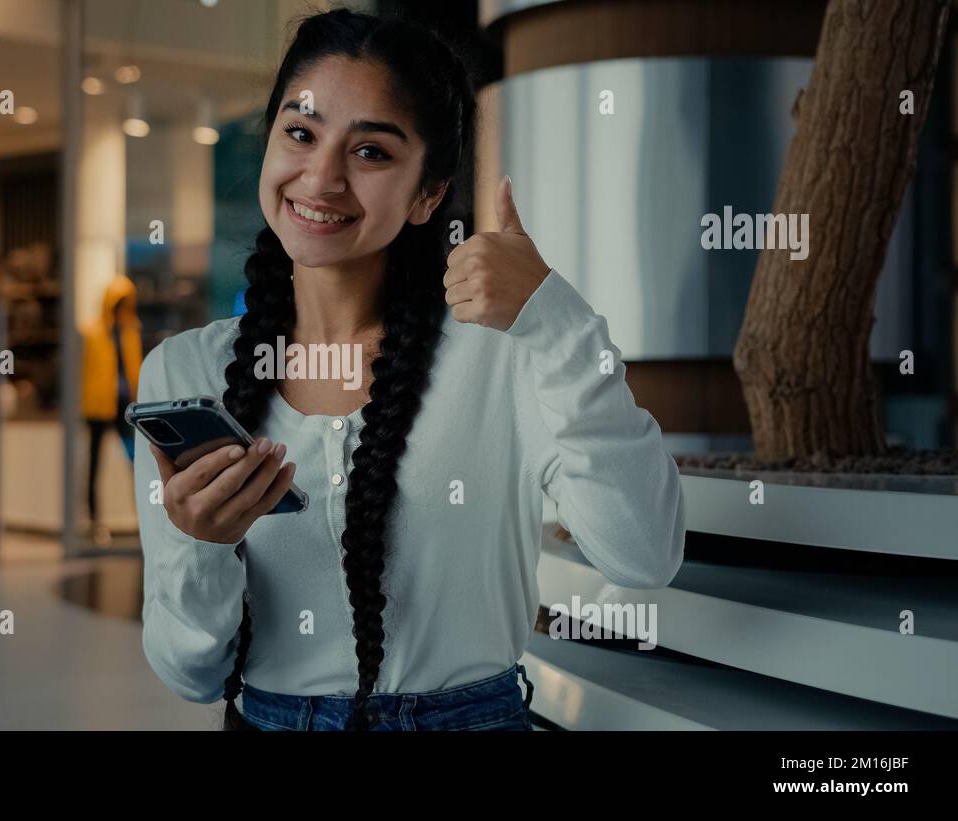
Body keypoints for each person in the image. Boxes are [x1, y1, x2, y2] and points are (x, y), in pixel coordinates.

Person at [133, 9, 685, 731]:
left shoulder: (507, 351)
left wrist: (556, 319)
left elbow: (643, 555)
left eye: (371, 152)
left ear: (429, 193)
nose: (323, 177)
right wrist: (201, 546)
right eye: (300, 133)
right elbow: (191, 676)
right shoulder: (184, 368)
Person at [82, 273, 142, 542]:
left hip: (124, 407)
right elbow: (85, 371)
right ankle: (95, 521)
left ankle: (144, 518)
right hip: (97, 408)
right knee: (95, 465)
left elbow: (135, 368)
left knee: (135, 462)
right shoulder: (94, 332)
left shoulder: (131, 331)